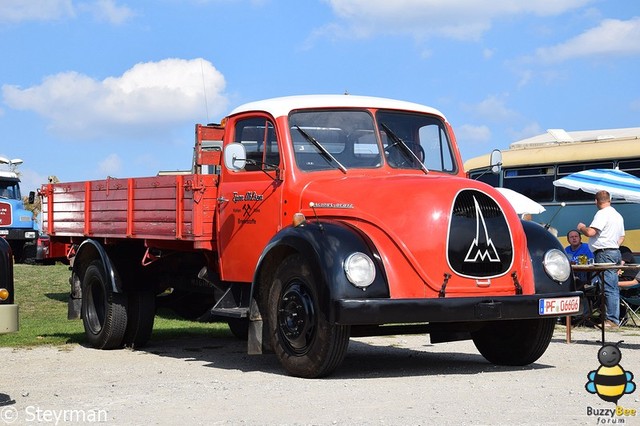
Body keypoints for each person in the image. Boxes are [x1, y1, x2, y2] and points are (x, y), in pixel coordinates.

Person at [577, 190, 625, 328]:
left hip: (604, 253)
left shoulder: (602, 214)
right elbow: (622, 236)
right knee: (613, 286)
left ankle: (612, 320)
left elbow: (591, 232)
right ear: (609, 200)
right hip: (615, 252)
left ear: (596, 201)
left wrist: (581, 228)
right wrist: (613, 245)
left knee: (608, 287)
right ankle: (612, 317)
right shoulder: (617, 215)